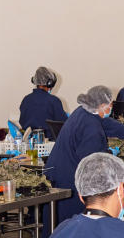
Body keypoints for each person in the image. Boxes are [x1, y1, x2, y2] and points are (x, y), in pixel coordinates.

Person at [46, 85, 119, 224]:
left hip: (57, 173)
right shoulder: (92, 127)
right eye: (110, 105)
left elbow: (107, 124)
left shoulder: (81, 112)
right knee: (70, 226)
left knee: (55, 227)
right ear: (102, 105)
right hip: (70, 181)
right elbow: (91, 161)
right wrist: (109, 154)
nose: (111, 108)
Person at [19, 66, 66, 134]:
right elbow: (63, 125)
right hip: (49, 142)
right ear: (50, 83)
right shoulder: (54, 101)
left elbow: (22, 122)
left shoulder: (26, 100)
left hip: (29, 142)